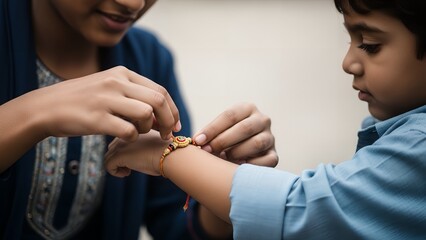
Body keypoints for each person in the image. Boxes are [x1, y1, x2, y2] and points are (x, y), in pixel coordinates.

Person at [105, 0, 426, 239]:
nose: (347, 62)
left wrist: (168, 157)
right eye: (351, 41)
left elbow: (306, 210)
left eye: (370, 44)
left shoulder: (147, 59)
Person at [0, 0, 278, 239]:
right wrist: (37, 113)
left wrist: (226, 189)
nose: (133, 4)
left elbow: (175, 220)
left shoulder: (148, 58)